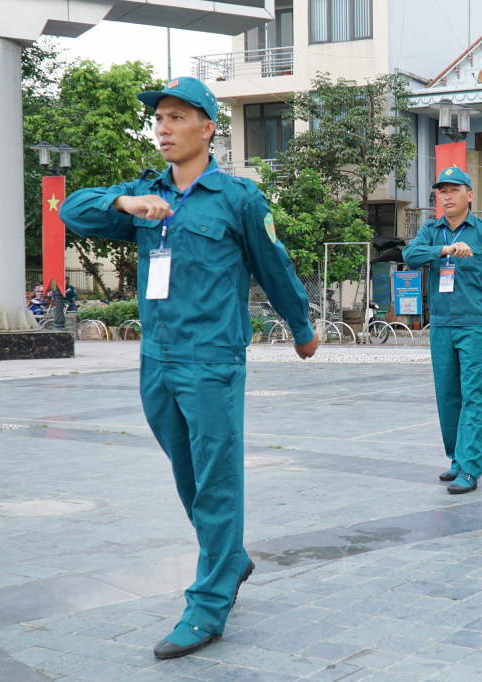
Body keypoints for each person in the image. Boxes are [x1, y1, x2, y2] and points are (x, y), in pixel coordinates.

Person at [59, 76, 318, 660]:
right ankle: (228, 558)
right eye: (159, 118)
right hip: (156, 359)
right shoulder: (146, 193)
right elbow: (72, 210)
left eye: (177, 117)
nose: (163, 127)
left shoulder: (238, 199)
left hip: (212, 360)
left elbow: (273, 267)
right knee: (188, 475)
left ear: (208, 127)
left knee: (217, 479)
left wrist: (301, 329)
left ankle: (208, 604)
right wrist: (124, 203)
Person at [402, 166, 482, 494]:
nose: (447, 196)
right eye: (442, 191)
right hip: (440, 325)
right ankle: (456, 458)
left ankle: (470, 466)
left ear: (469, 195)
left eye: (454, 190)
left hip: (474, 325)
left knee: (474, 395)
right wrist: (445, 250)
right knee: (447, 395)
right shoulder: (432, 231)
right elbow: (409, 256)